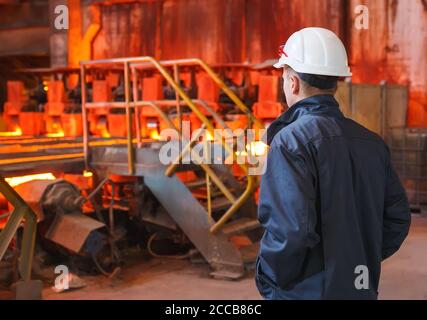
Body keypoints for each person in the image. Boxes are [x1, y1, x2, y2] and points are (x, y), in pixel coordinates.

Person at [255, 27, 411, 300]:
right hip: (360, 288)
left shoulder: (290, 142)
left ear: (292, 82)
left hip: (305, 293)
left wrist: (267, 277)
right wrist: (357, 259)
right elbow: (396, 219)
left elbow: (290, 232)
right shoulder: (372, 142)